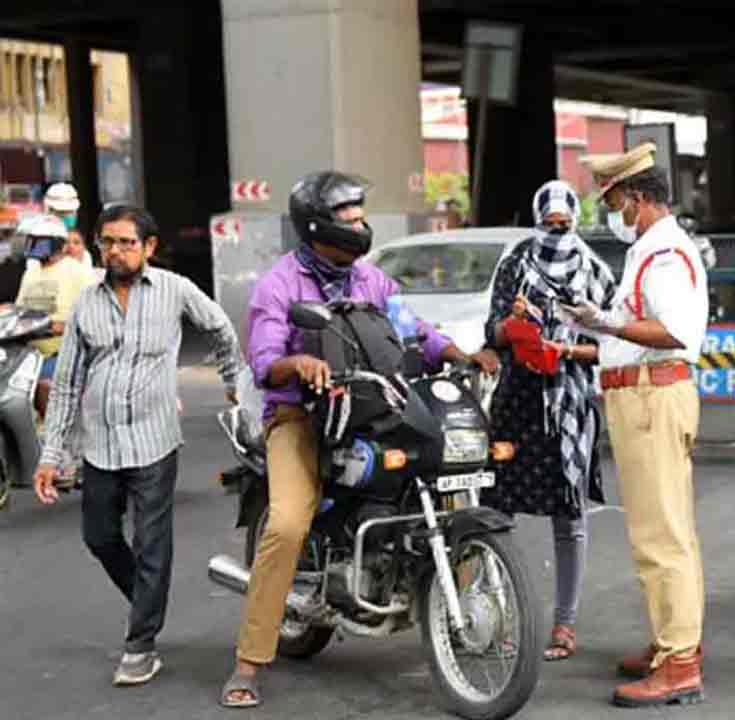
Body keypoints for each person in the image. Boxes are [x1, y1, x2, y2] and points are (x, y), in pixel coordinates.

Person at [222, 171, 497, 709]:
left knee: (447, 481)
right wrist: (297, 363)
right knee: (287, 523)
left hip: (373, 411)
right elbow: (263, 360)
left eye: (360, 217)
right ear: (315, 226)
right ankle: (249, 661)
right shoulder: (280, 284)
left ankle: (448, 604)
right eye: (347, 219)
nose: (359, 226)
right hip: (301, 419)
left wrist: (459, 354)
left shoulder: (371, 281)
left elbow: (413, 330)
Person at [33, 204, 244, 687]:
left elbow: (220, 327)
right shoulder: (87, 302)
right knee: (99, 536)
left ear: (148, 247)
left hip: (154, 440)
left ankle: (141, 644)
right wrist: (51, 455)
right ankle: (149, 600)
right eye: (107, 242)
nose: (116, 251)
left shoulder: (175, 290)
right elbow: (66, 385)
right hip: (100, 443)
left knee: (152, 542)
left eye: (127, 242)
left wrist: (234, 379)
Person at [571, 143, 709, 707]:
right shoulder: (650, 250)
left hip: (652, 398)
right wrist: (592, 331)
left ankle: (679, 664)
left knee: (661, 537)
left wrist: (604, 323)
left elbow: (673, 330)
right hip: (645, 395)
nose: (613, 215)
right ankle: (672, 643)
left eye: (613, 204)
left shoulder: (664, 253)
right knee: (668, 530)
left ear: (636, 198)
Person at [481, 180, 617, 662]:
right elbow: (492, 332)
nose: (556, 231)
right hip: (517, 400)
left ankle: (565, 623)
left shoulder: (596, 273)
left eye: (563, 223)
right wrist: (514, 323)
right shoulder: (516, 264)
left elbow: (610, 346)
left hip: (569, 407)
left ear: (575, 221)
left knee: (569, 516)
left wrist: (565, 350)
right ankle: (497, 619)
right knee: (497, 511)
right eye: (548, 223)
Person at [11, 214, 98, 421]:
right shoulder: (31, 273)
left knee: (44, 389)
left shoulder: (77, 272)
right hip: (28, 354)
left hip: (63, 353)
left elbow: (96, 315)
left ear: (56, 243)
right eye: (30, 240)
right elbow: (19, 310)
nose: (31, 245)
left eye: (37, 241)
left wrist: (62, 326)